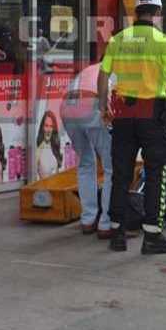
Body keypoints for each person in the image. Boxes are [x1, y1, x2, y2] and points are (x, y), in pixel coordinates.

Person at [99, 0, 166, 255]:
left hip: (123, 115)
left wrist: (103, 106)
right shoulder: (163, 41)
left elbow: (103, 75)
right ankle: (152, 236)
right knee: (156, 172)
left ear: (136, 14)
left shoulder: (117, 39)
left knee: (121, 174)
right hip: (152, 115)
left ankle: (117, 234)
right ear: (158, 13)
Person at [60, 62, 115, 238]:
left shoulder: (90, 68)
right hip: (92, 105)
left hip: (67, 106)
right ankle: (106, 223)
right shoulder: (117, 68)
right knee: (111, 167)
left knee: (85, 163)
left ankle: (88, 220)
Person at [35, 111, 63, 180]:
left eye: (51, 126)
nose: (48, 130)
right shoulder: (38, 150)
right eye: (46, 126)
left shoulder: (56, 146)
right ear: (42, 127)